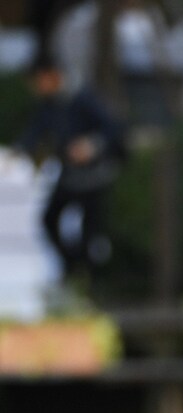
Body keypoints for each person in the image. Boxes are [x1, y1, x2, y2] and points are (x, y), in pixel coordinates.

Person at [15, 56, 125, 286]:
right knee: (49, 219)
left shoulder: (82, 97)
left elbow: (113, 128)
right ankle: (72, 268)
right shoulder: (49, 104)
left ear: (51, 76)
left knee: (90, 231)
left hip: (94, 177)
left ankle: (90, 281)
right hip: (69, 176)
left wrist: (91, 146)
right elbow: (34, 132)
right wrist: (18, 152)